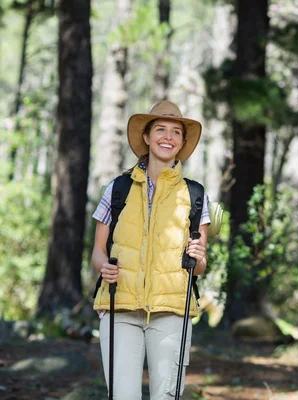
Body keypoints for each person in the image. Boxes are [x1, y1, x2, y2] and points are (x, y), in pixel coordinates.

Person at [91, 100, 210, 399]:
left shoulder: (195, 194)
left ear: (182, 142)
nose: (167, 137)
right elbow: (97, 251)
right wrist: (103, 266)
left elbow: (201, 264)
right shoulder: (117, 189)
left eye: (175, 132)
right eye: (160, 129)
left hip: (172, 311)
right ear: (146, 137)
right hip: (120, 307)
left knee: (166, 397)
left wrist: (200, 257)